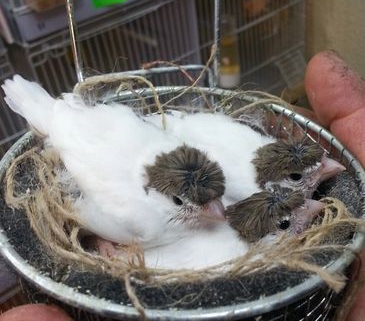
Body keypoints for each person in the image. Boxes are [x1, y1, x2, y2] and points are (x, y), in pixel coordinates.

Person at [0, 51, 364, 320]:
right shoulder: (137, 217)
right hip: (67, 131)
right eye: (188, 201)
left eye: (215, 197)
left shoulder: (185, 171)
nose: (217, 209)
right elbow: (76, 205)